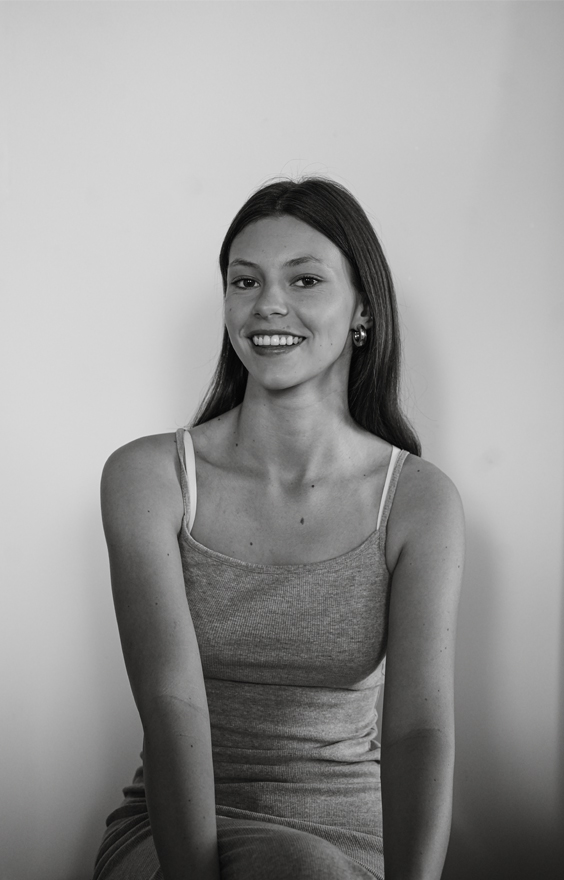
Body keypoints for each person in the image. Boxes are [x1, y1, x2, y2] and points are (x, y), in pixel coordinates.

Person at [92, 177, 465, 880]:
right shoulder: (150, 478)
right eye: (245, 281)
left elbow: (419, 729)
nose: (267, 302)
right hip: (176, 832)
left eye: (305, 279)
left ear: (363, 309)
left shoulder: (419, 500)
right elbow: (171, 703)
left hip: (355, 839)